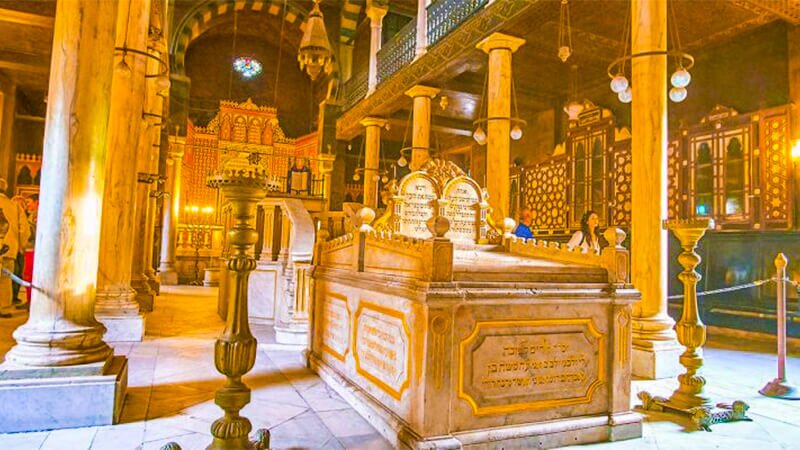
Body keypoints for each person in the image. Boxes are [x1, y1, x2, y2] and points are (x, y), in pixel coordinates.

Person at [0, 179, 30, 318]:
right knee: (5, 279)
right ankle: (4, 308)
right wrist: (20, 246)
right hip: (9, 249)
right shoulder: (14, 206)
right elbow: (24, 229)